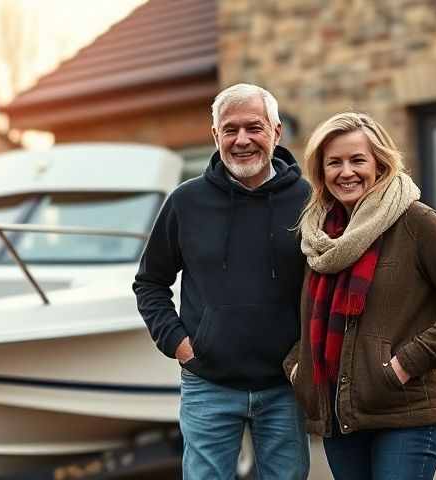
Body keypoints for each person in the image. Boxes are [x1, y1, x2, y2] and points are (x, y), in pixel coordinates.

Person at [285, 112, 436, 479]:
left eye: (357, 160)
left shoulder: (416, 221)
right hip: (340, 418)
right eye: (334, 162)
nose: (346, 171)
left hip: (406, 413)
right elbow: (304, 316)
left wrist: (403, 364)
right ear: (321, 171)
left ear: (380, 163)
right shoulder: (317, 237)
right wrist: (297, 366)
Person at [133, 83, 310, 479]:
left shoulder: (308, 200)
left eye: (254, 127)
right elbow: (149, 282)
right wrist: (179, 345)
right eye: (230, 129)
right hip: (208, 383)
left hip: (284, 386)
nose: (242, 140)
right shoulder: (185, 202)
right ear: (215, 136)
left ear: (276, 132)